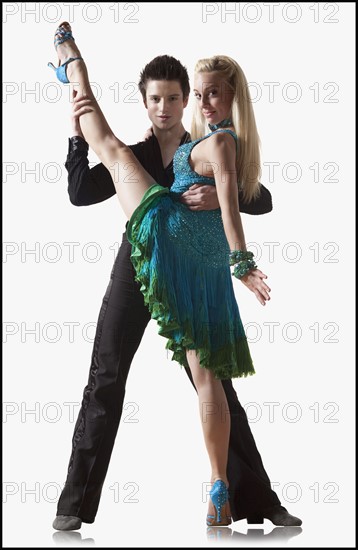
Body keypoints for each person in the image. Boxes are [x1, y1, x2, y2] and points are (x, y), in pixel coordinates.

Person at [49, 22, 302, 530]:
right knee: (106, 376)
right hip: (136, 268)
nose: (164, 108)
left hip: (188, 271)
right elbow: (80, 191)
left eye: (172, 99)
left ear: (184, 100)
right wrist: (77, 136)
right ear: (145, 103)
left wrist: (217, 199)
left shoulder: (202, 149)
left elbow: (260, 196)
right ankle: (73, 506)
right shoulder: (138, 153)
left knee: (217, 384)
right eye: (154, 100)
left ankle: (259, 500)